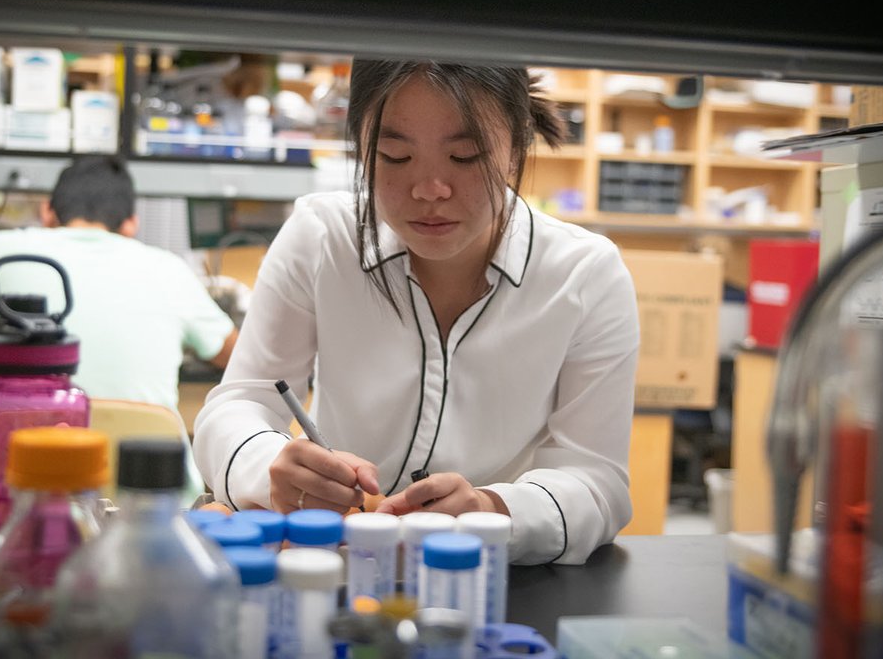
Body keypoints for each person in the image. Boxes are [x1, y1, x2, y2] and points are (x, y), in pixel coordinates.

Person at [193, 61, 640, 565]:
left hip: (490, 584)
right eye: (395, 156)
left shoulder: (584, 275)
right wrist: (271, 464)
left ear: (515, 150)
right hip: (334, 572)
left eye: (464, 157)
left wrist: (494, 511)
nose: (429, 189)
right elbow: (237, 406)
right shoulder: (322, 238)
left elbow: (599, 481)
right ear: (362, 149)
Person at [0, 154, 239, 440]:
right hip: (151, 485)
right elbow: (236, 357)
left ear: (47, 212)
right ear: (131, 222)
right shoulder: (168, 268)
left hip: (29, 480)